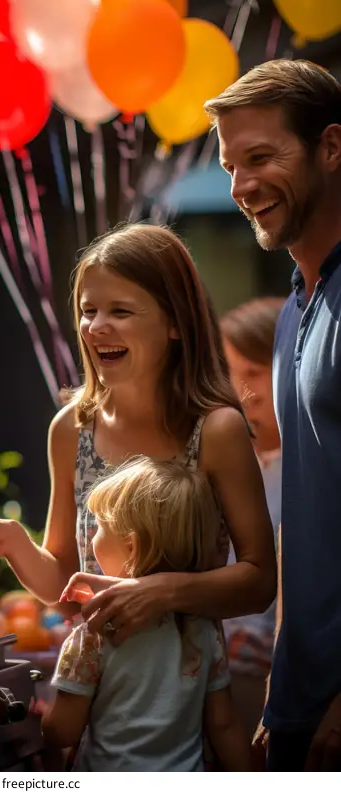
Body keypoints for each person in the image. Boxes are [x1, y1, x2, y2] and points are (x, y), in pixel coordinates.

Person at [0, 223, 276, 645]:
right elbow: (66, 590)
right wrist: (13, 542)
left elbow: (260, 581)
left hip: (190, 689)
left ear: (176, 322)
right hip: (94, 687)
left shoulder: (217, 429)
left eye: (120, 311)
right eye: (88, 311)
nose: (95, 327)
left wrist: (160, 593)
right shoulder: (70, 429)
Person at [204, 58, 341, 771]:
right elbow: (304, 523)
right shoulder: (293, 311)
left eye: (261, 157)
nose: (242, 186)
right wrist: (284, 692)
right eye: (231, 166)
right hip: (298, 707)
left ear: (331, 147)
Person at [43, 456, 250, 771]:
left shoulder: (96, 631)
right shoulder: (204, 628)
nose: (91, 537)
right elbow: (224, 725)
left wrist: (39, 715)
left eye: (99, 527)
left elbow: (62, 730)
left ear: (131, 547)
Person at [220, 297, 285, 738]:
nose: (243, 391)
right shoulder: (231, 457)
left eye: (254, 372)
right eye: (232, 371)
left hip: (264, 671)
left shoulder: (309, 467)